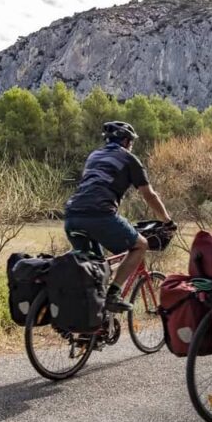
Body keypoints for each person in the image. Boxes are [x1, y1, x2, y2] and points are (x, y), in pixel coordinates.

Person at [64, 121, 172, 313]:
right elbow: (149, 195)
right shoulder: (129, 159)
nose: (131, 146)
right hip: (100, 215)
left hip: (72, 216)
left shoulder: (94, 156)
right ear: (126, 141)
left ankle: (90, 322)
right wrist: (167, 220)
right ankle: (113, 295)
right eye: (131, 142)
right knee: (140, 245)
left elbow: (95, 187)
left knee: (95, 269)